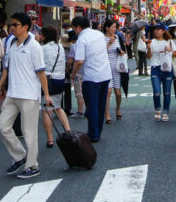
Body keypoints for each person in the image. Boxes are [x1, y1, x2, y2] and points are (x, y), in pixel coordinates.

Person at [0, 13, 54, 179]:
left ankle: (33, 166)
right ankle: (20, 156)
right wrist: (0, 87)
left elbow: (41, 72)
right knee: (3, 126)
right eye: (11, 24)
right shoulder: (11, 43)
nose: (11, 27)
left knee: (29, 133)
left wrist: (47, 95)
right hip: (12, 94)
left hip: (29, 95)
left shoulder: (34, 47)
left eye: (15, 24)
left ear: (26, 27)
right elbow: (6, 68)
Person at [69, 15, 111, 143]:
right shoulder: (99, 34)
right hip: (105, 73)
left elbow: (79, 61)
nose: (74, 31)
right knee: (100, 104)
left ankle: (93, 134)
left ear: (78, 27)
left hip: (91, 76)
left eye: (74, 29)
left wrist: (72, 74)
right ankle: (97, 131)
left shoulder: (82, 39)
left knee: (92, 105)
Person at [40, 27, 70, 148]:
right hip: (60, 79)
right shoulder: (60, 48)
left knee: (47, 110)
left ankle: (50, 139)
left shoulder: (41, 49)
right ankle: (68, 131)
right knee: (58, 107)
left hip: (47, 80)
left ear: (44, 36)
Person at [146, 24, 176, 122]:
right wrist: (149, 49)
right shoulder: (152, 42)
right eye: (155, 29)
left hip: (167, 68)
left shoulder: (169, 41)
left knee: (167, 92)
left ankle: (166, 112)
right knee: (157, 91)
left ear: (163, 31)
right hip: (155, 68)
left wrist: (169, 51)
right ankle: (158, 110)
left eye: (158, 29)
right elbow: (149, 57)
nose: (156, 31)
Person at [103, 19, 125, 123]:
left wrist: (121, 52)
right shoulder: (102, 38)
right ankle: (106, 114)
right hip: (106, 66)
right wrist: (108, 44)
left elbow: (120, 49)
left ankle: (118, 109)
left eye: (115, 27)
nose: (114, 29)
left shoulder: (117, 37)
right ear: (107, 28)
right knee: (108, 91)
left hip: (117, 67)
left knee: (118, 92)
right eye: (112, 27)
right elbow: (100, 52)